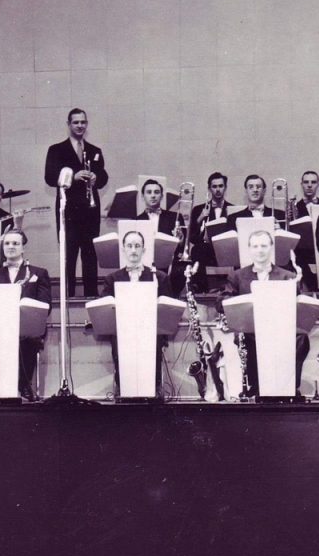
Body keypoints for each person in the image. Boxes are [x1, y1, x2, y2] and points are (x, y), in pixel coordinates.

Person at [221, 230, 310, 400]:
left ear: (271, 248)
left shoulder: (288, 276)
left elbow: (298, 304)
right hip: (251, 330)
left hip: (280, 331)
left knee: (301, 338)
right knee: (248, 340)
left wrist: (295, 288)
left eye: (264, 245)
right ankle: (256, 388)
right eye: (255, 246)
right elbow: (223, 300)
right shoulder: (237, 276)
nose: (259, 250)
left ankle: (289, 386)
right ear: (249, 249)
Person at [44, 108, 108, 298]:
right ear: (68, 124)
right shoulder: (56, 150)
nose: (80, 126)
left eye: (83, 122)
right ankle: (68, 299)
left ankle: (91, 299)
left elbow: (104, 177)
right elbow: (49, 177)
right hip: (69, 213)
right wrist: (74, 176)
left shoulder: (95, 151)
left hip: (90, 212)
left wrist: (97, 176)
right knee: (68, 257)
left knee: (90, 257)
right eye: (76, 122)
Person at [0, 228, 52, 401]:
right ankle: (2, 387)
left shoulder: (38, 273)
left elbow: (46, 305)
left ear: (23, 249)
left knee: (27, 339)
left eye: (15, 243)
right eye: (7, 243)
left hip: (29, 325)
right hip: (3, 325)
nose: (11, 246)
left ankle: (23, 384)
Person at [102, 230, 171, 397]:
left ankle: (154, 390)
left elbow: (167, 305)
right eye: (129, 246)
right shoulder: (112, 279)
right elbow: (105, 306)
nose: (133, 250)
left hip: (150, 331)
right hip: (124, 332)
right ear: (123, 249)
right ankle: (122, 390)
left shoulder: (159, 277)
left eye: (137, 246)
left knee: (151, 355)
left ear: (144, 250)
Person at [188, 172, 230, 291]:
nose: (217, 190)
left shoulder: (232, 209)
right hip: (206, 250)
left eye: (221, 186)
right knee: (197, 249)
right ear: (209, 188)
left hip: (225, 249)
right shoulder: (198, 210)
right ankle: (199, 287)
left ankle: (231, 288)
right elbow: (192, 238)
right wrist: (201, 217)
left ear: (225, 188)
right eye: (214, 186)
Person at [293, 170, 319, 291]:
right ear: (301, 185)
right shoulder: (293, 208)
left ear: (318, 185)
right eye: (306, 182)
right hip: (303, 258)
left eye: (313, 182)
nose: (309, 185)